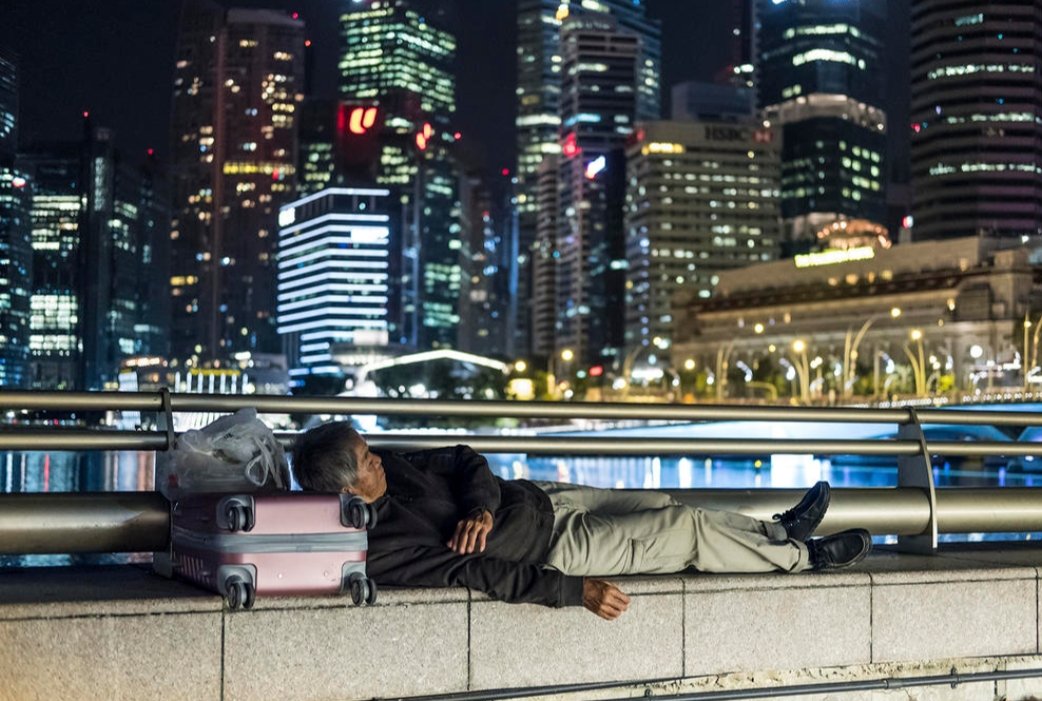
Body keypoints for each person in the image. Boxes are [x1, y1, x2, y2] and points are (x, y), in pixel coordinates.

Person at [292, 422, 872, 620]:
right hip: (560, 544)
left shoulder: (391, 468)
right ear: (347, 489)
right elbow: (483, 576)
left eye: (371, 451)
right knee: (687, 535)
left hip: (546, 497)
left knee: (670, 508)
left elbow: (466, 459)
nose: (379, 460)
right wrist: (575, 592)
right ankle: (803, 557)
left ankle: (777, 533)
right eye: (367, 461)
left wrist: (482, 506)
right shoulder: (384, 546)